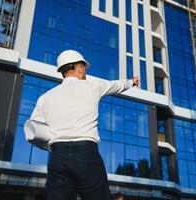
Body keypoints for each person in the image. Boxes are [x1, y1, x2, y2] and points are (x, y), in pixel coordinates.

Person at [24, 50, 139, 200]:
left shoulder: (44, 98)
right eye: (84, 68)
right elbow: (116, 85)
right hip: (86, 154)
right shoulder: (92, 86)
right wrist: (131, 82)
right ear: (79, 68)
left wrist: (52, 145)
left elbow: (33, 131)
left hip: (57, 157)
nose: (85, 72)